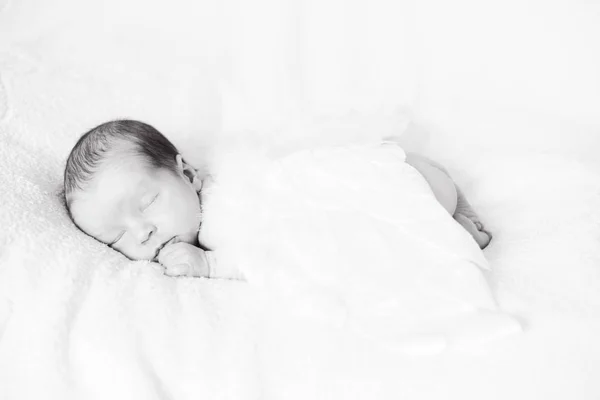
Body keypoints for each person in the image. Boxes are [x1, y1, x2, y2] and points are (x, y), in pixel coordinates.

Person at [63, 120, 491, 279]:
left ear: (189, 175)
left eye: (149, 201)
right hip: (376, 171)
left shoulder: (220, 218)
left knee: (416, 217)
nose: (142, 232)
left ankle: (455, 211)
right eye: (116, 237)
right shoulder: (197, 209)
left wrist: (211, 266)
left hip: (390, 184)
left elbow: (274, 254)